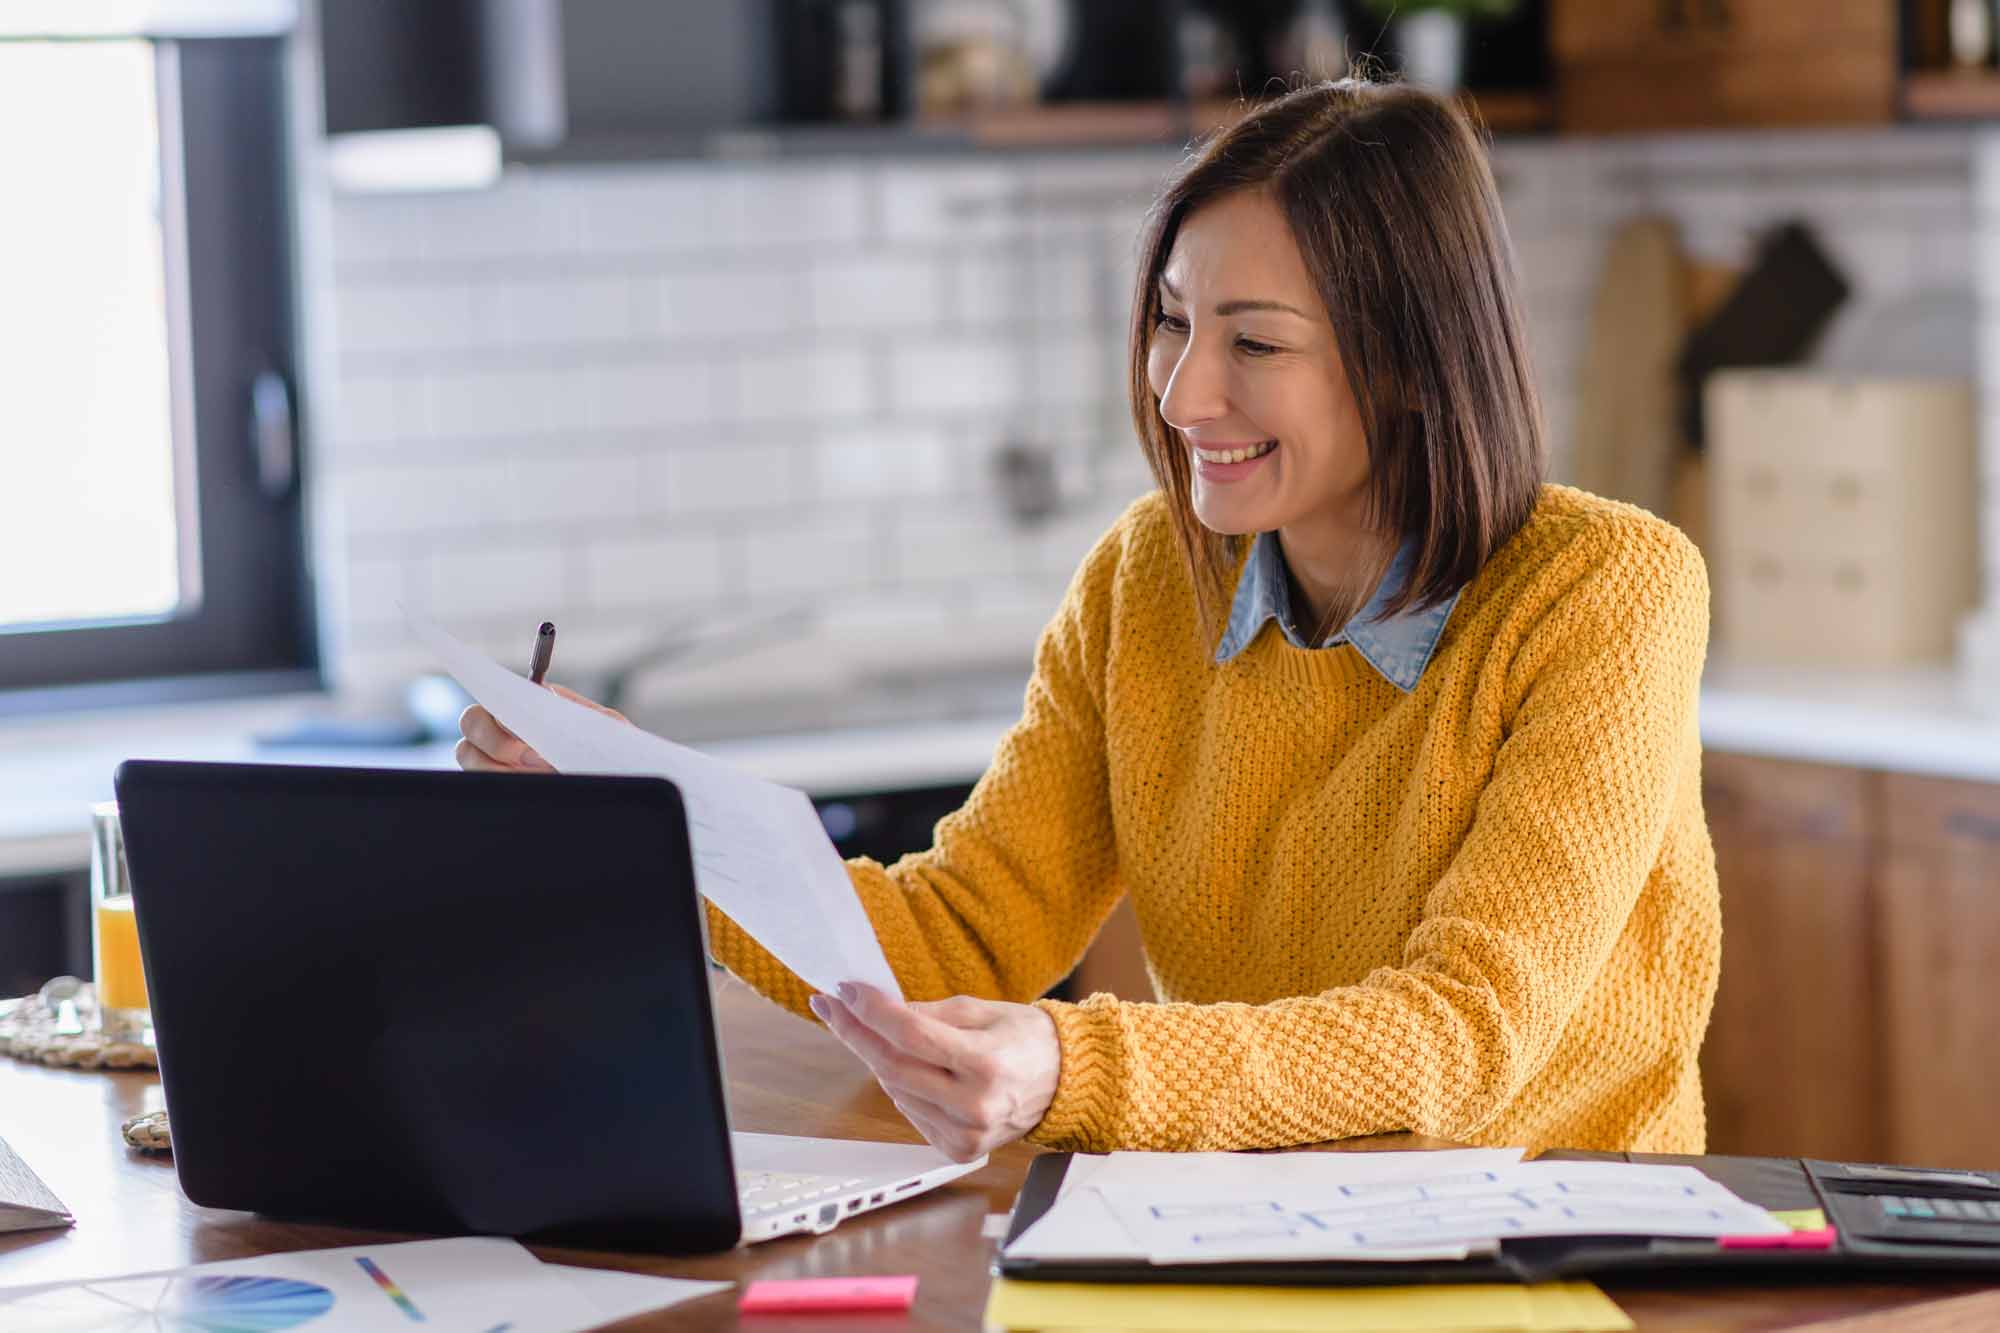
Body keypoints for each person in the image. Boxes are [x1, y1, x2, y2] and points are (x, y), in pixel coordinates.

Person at [459, 78, 1718, 1164]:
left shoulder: (1603, 590)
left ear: (1406, 361)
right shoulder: (1148, 582)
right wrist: (643, 813)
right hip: (1263, 1229)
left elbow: (1464, 1031)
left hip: (1563, 1242)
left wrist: (1072, 1063)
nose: (1181, 391)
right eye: (1172, 320)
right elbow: (964, 932)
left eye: (1253, 343)